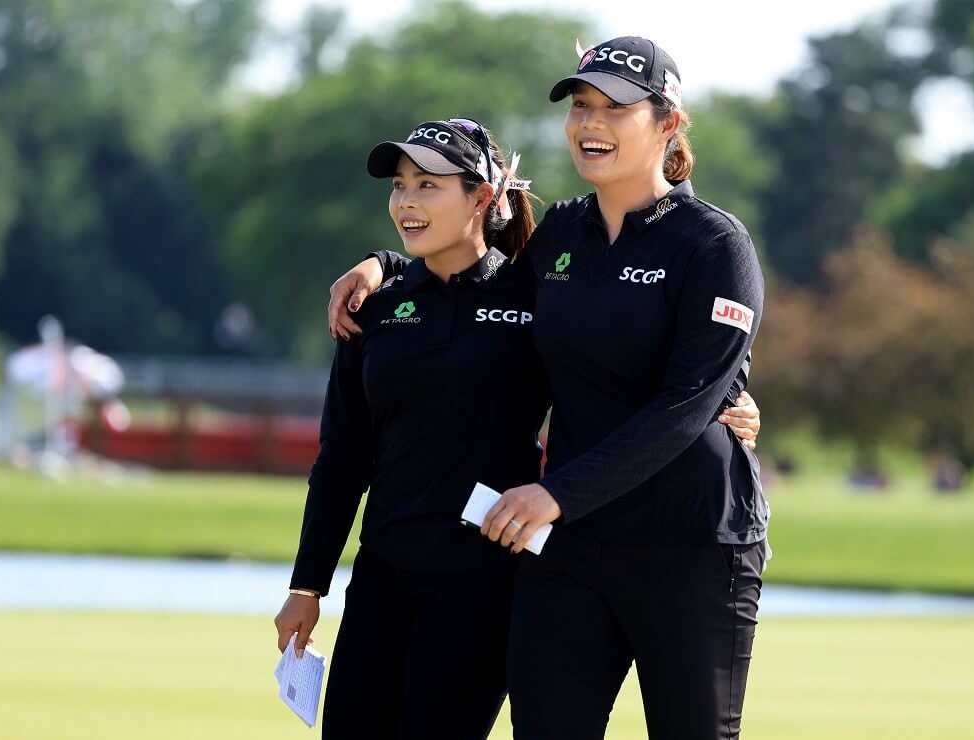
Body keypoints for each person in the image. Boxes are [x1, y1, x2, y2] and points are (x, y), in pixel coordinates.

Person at [328, 36, 768, 740]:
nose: (589, 124)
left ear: (667, 124)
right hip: (570, 552)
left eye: (614, 109)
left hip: (690, 545)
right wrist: (384, 264)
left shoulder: (714, 245)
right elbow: (472, 285)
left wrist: (555, 493)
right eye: (580, 108)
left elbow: (687, 401)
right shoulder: (561, 233)